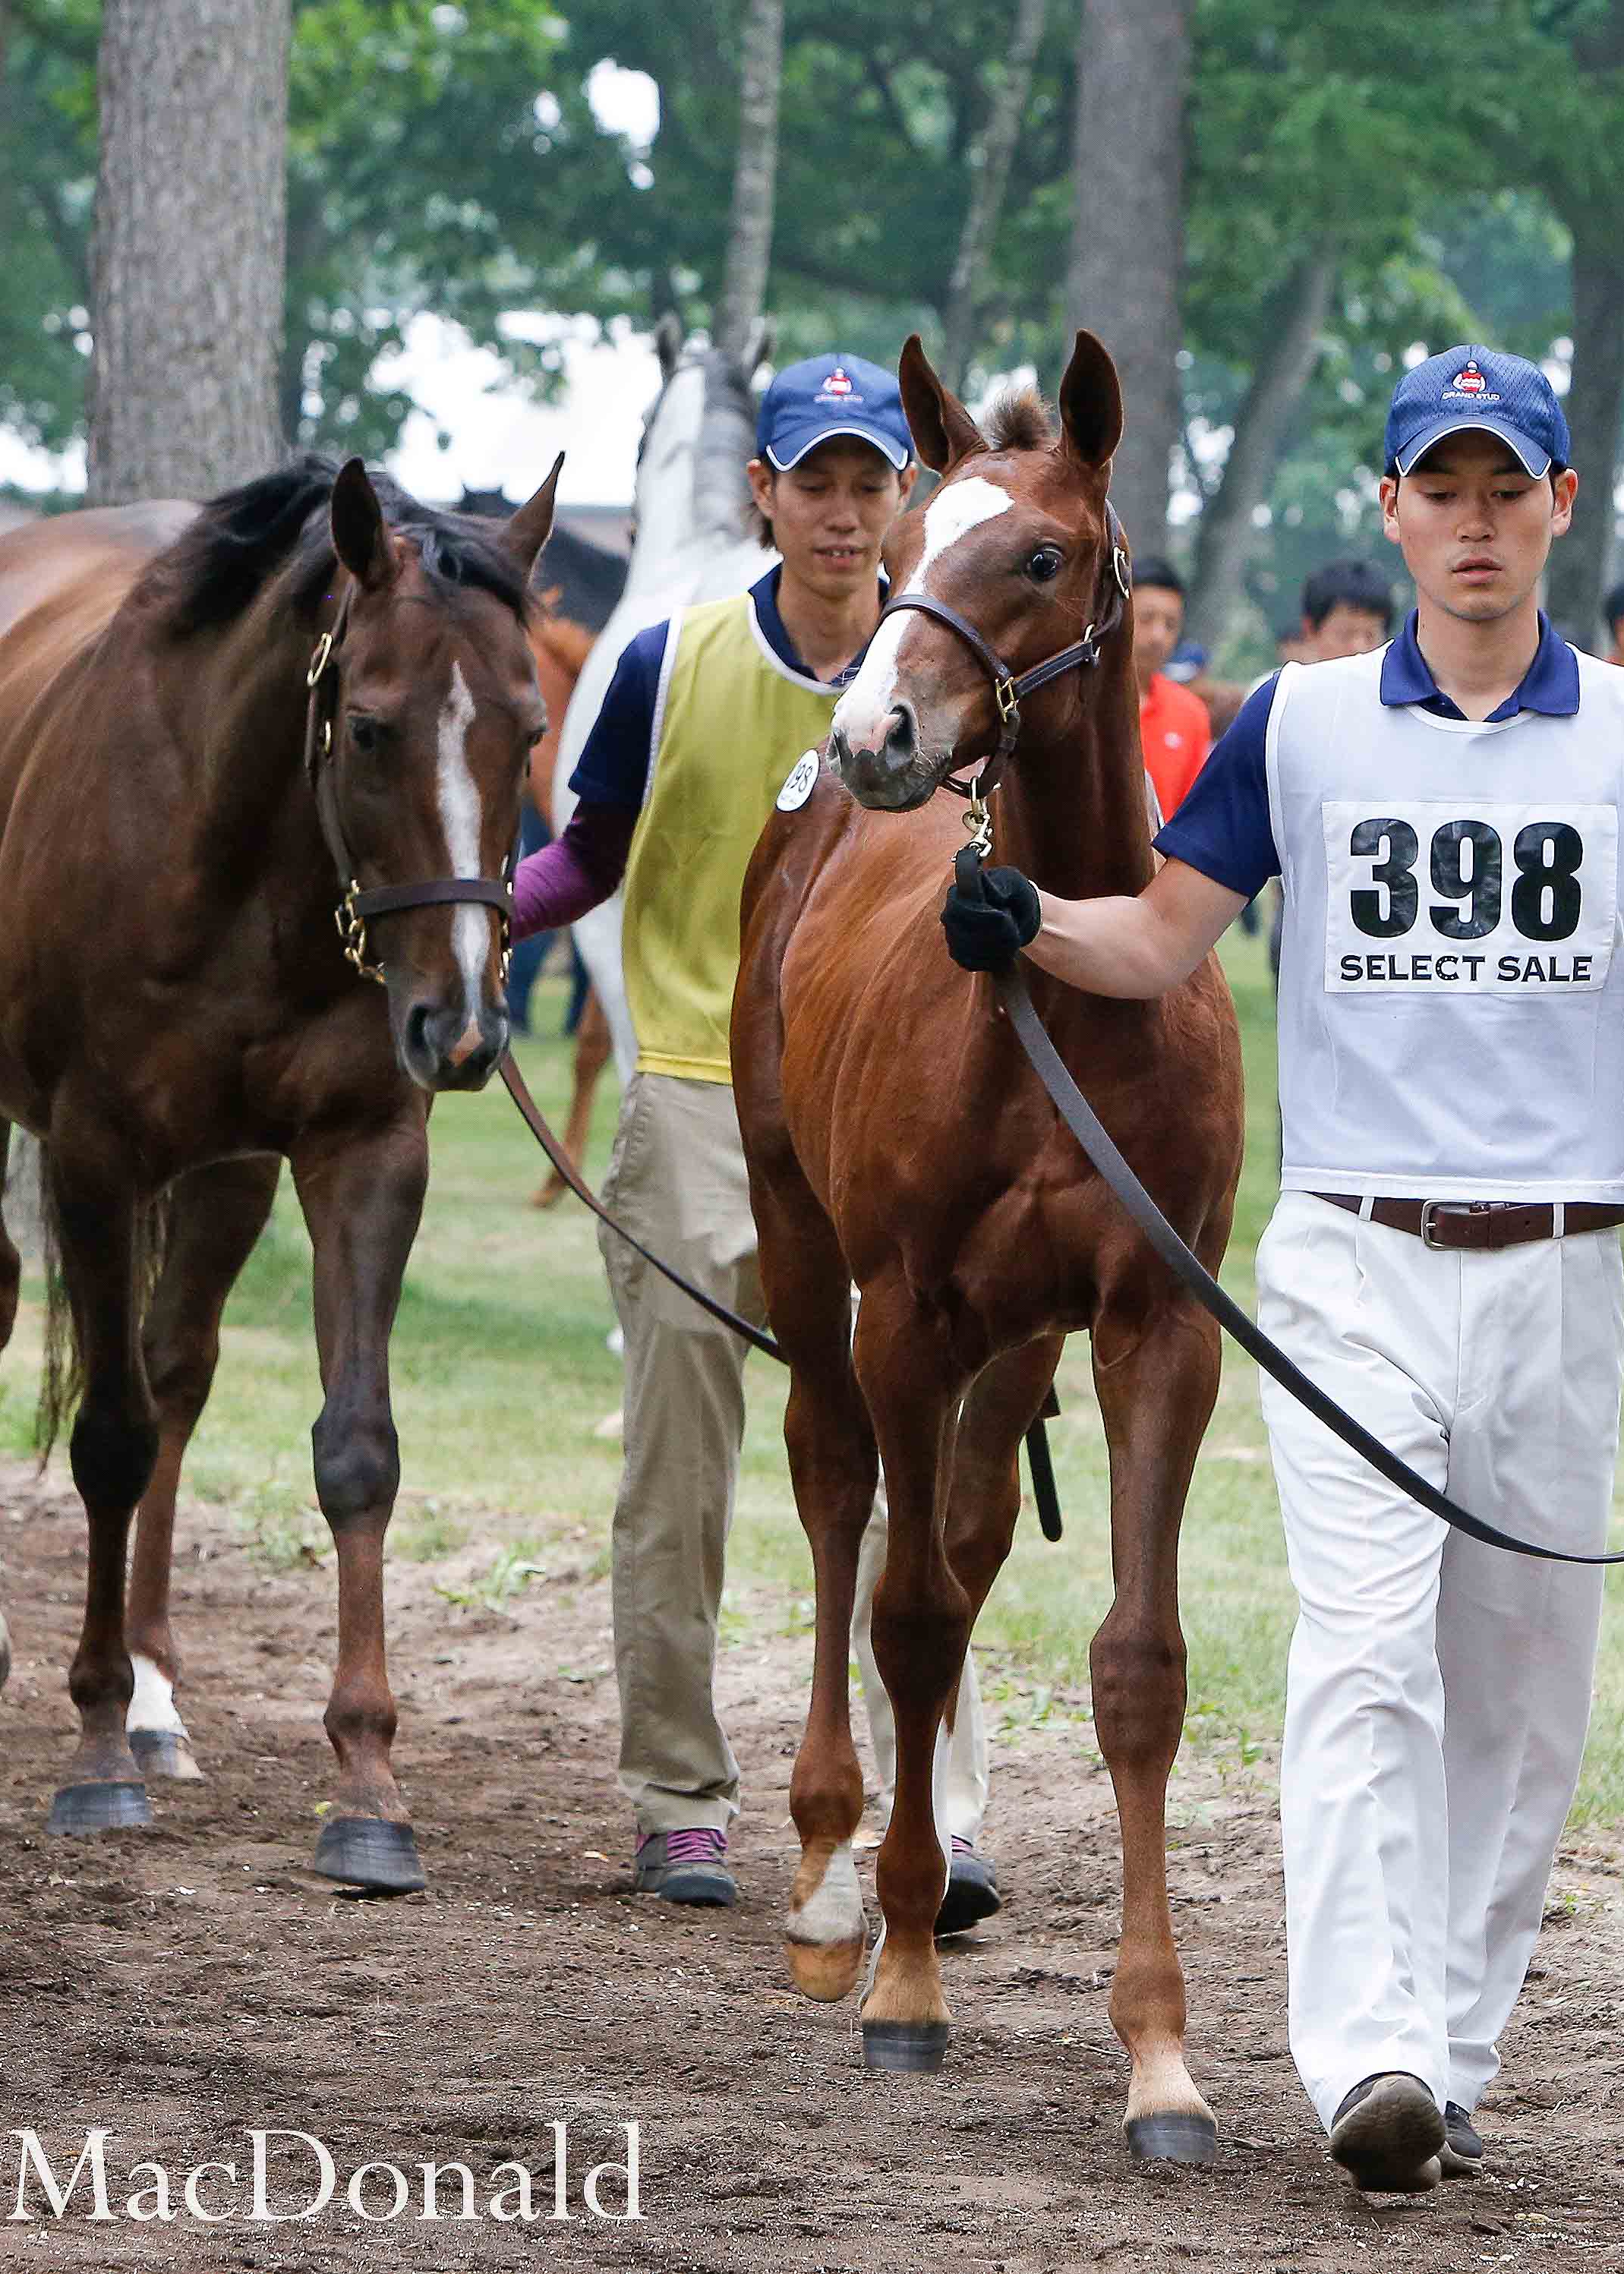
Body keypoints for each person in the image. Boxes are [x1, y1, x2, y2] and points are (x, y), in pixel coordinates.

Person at [938, 343, 1624, 2193]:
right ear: (1385, 510)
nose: (1471, 524)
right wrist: (1029, 920)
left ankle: (1454, 2046)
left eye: (1504, 488)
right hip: (1354, 1257)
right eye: (1437, 490)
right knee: (1364, 1651)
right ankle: (1368, 2049)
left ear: (1558, 504)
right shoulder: (1298, 725)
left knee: (1522, 1675)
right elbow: (1162, 935)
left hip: (1559, 1264)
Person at [498, 353, 1002, 1924]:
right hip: (699, 1083)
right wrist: (478, 930)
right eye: (816, 483)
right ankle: (678, 1792)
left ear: (900, 501)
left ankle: (941, 1805)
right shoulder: (673, 659)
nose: (843, 515)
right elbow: (584, 857)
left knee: (909, 1457)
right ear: (760, 496)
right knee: (681, 1449)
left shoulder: (957, 673)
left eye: (869, 484)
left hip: (887, 1114)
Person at [1127, 559, 1216, 820]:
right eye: (1146, 618)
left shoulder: (1191, 713)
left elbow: (1195, 816)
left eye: (1170, 624)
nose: (1158, 636)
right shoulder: (1081, 704)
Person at [1294, 557, 1395, 662]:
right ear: (1310, 630)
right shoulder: (1287, 678)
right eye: (1345, 635)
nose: (1360, 648)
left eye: (1370, 636)